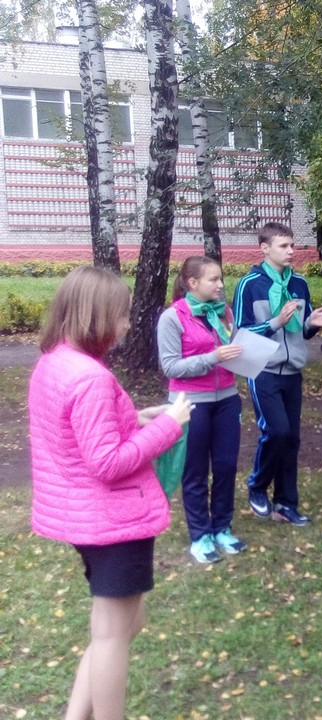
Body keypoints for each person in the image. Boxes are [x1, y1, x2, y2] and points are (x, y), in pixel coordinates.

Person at [30, 266, 192, 720]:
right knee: (112, 633)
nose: (126, 325)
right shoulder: (90, 377)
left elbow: (77, 433)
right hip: (113, 519)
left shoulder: (55, 362)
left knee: (124, 622)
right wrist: (168, 426)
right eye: (121, 315)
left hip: (87, 519)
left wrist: (137, 418)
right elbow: (107, 463)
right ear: (95, 315)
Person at [234, 222, 322, 525]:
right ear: (265, 249)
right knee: (276, 431)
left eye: (292, 245)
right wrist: (275, 322)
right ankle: (257, 485)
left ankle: (286, 504)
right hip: (262, 369)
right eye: (284, 246)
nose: (291, 251)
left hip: (292, 370)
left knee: (292, 439)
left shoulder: (299, 283)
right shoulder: (250, 284)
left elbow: (300, 332)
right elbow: (241, 330)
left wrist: (312, 322)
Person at [156, 256, 245, 563]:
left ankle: (222, 528)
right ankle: (200, 536)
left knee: (226, 466)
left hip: (227, 398)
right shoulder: (172, 317)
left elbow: (231, 353)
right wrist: (213, 357)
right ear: (192, 283)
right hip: (190, 403)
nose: (221, 285)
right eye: (213, 280)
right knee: (195, 472)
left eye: (221, 279)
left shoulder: (224, 312)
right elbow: (170, 366)